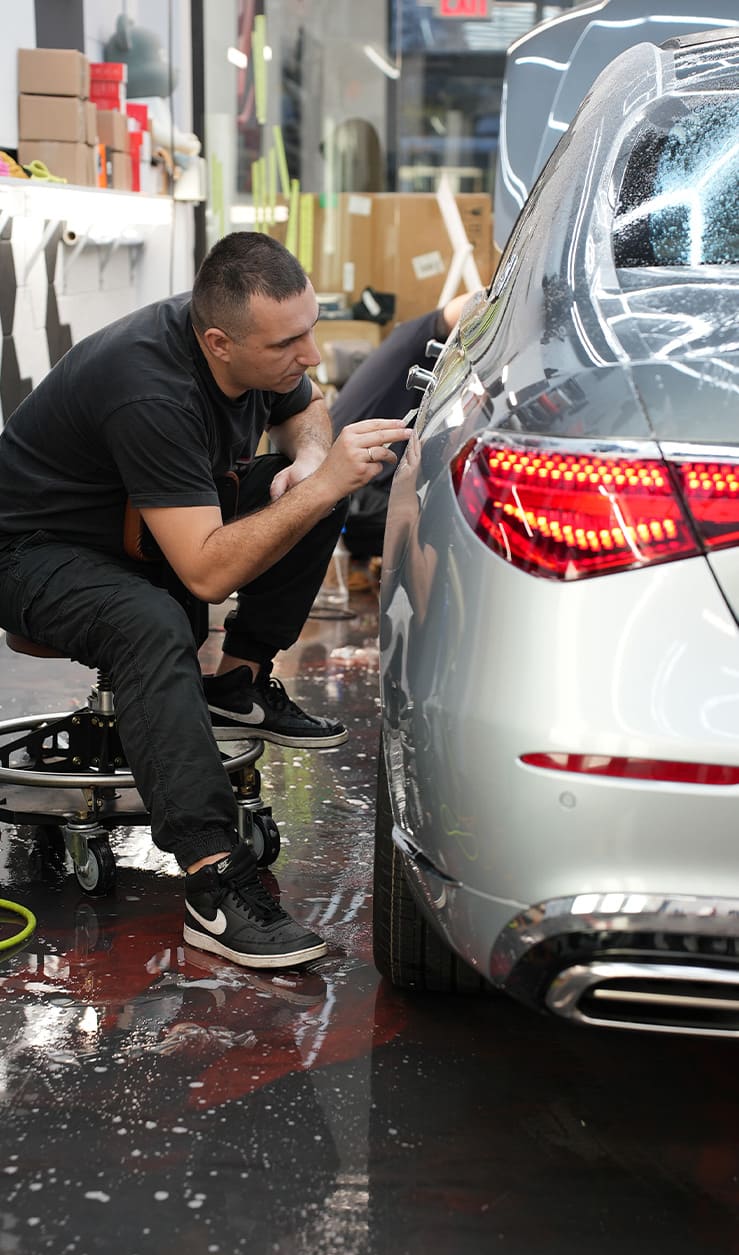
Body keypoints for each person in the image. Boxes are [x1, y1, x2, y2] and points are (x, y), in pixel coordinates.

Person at [0, 231, 411, 970]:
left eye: (309, 330)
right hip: (34, 552)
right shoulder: (149, 387)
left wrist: (311, 463)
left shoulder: (252, 344)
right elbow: (205, 577)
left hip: (135, 530)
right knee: (151, 621)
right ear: (219, 342)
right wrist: (321, 485)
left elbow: (307, 406)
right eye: (290, 342)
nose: (310, 354)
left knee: (309, 493)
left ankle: (237, 683)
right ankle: (212, 880)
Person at [329, 291, 473, 579]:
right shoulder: (413, 339)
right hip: (350, 496)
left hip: (357, 487)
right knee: (455, 524)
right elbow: (468, 304)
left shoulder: (414, 349)